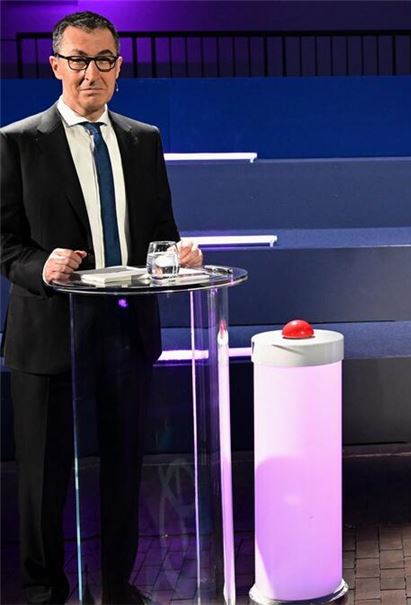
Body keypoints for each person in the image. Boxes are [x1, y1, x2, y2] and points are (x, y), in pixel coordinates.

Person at [1, 11, 202, 604]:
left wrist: (179, 256)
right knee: (42, 480)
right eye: (79, 60)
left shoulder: (143, 139)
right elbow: (4, 241)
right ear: (55, 66)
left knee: (123, 470)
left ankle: (119, 587)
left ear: (119, 66)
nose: (91, 73)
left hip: (125, 328)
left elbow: (160, 232)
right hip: (48, 333)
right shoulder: (17, 142)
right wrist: (42, 266)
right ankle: (43, 592)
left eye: (103, 60)